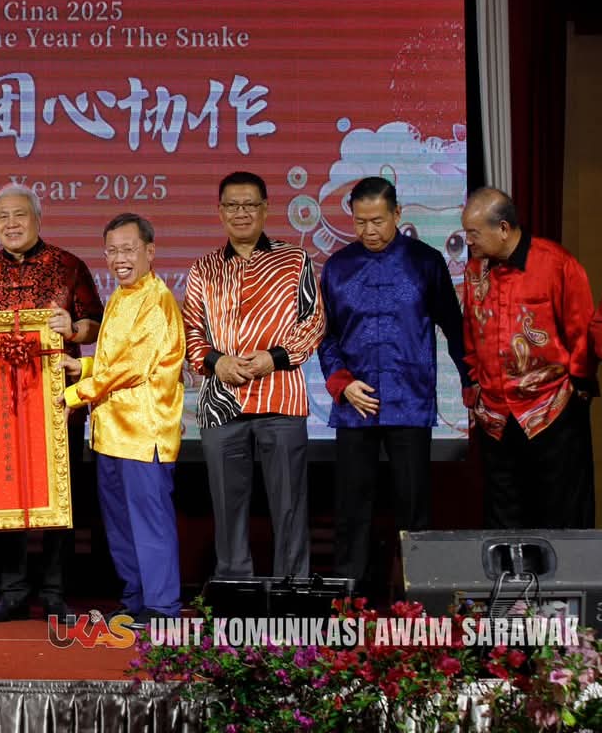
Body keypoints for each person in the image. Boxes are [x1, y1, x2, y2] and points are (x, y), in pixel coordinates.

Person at [0, 183, 103, 622]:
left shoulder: (68, 266)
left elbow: (96, 324)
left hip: (59, 403)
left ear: (37, 218)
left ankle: (55, 592)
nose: (11, 224)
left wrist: (73, 328)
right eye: (3, 217)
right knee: (8, 497)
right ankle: (12, 591)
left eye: (19, 215)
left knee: (62, 500)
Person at [318, 177, 471, 587]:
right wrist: (343, 384)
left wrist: (471, 383)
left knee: (414, 506)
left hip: (410, 401)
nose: (369, 231)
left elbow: (454, 328)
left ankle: (417, 595)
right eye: (360, 222)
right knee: (352, 507)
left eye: (378, 221)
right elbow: (325, 337)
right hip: (355, 405)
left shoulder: (426, 262)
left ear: (397, 214)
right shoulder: (337, 267)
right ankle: (348, 598)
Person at [182, 171, 325, 579]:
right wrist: (217, 363)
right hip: (221, 404)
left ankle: (291, 592)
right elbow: (191, 330)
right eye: (232, 205)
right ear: (220, 211)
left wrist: (273, 359)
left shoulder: (294, 260)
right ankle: (234, 591)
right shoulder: (204, 268)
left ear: (265, 209)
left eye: (249, 205)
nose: (241, 213)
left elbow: (313, 322)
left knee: (290, 505)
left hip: (281, 399)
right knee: (227, 508)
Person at [59, 213, 185, 621]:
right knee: (121, 527)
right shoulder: (119, 296)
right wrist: (83, 367)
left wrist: (76, 393)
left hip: (144, 433)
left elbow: (133, 367)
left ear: (150, 251)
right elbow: (114, 361)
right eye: (112, 251)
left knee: (149, 524)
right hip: (110, 432)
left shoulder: (157, 300)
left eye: (128, 250)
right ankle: (136, 600)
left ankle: (162, 607)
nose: (120, 259)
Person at [460, 187, 596, 529]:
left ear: (503, 228)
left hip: (550, 410)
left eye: (474, 233)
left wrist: (578, 387)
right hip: (496, 415)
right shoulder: (474, 269)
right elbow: (470, 331)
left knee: (558, 512)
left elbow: (582, 330)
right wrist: (475, 382)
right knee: (504, 514)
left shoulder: (556, 264)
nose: (468, 241)